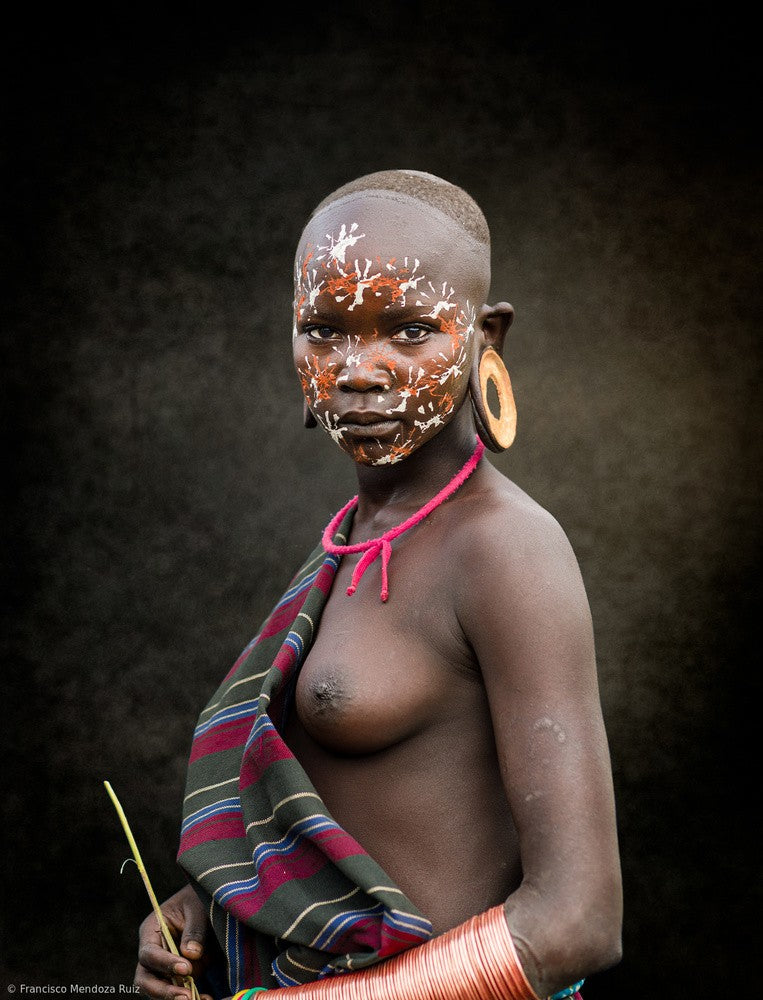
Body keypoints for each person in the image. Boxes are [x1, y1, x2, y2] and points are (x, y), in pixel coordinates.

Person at [134, 170, 622, 1000]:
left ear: (484, 337)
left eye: (408, 330)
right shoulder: (350, 542)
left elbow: (576, 922)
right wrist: (210, 912)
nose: (357, 370)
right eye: (323, 331)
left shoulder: (505, 550)